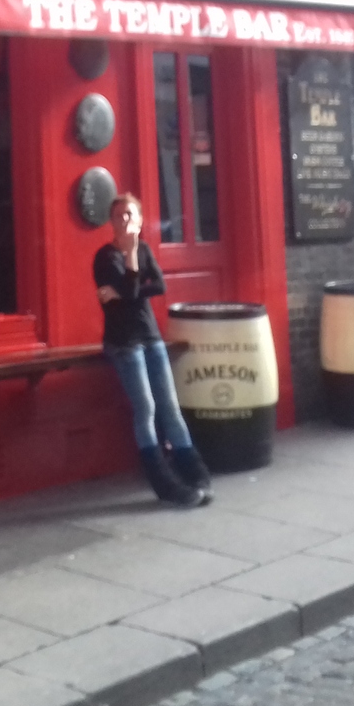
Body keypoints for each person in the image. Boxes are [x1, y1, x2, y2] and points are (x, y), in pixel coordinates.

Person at [94, 192, 213, 508]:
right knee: (145, 408)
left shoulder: (145, 249)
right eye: (118, 215)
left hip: (150, 335)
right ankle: (165, 484)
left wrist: (121, 292)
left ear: (141, 219)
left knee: (169, 406)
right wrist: (131, 267)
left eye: (130, 214)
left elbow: (158, 286)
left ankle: (197, 474)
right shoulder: (105, 257)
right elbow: (135, 288)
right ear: (111, 220)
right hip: (123, 342)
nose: (124, 220)